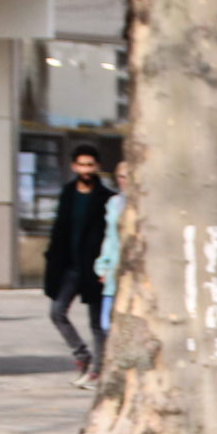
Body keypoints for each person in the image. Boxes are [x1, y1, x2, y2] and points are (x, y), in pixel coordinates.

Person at [44, 146, 111, 387]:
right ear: (74, 166)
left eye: (90, 165)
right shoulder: (67, 194)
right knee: (57, 312)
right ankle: (82, 355)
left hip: (94, 269)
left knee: (97, 323)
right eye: (81, 165)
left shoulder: (106, 198)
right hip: (68, 267)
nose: (86, 170)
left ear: (97, 167)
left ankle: (99, 370)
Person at [86, 163, 126, 389]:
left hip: (133, 274)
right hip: (113, 272)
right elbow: (110, 238)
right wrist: (103, 265)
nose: (124, 181)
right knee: (105, 324)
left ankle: (120, 370)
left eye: (128, 176)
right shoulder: (114, 203)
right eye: (120, 176)